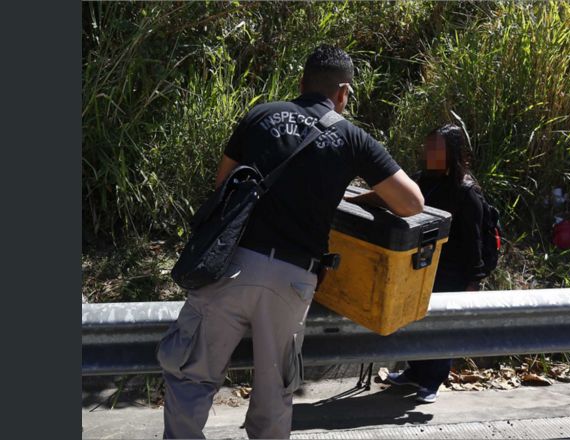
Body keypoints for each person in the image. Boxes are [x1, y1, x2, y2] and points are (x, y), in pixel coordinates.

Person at [157, 45, 424, 439]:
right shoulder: (353, 139)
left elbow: (223, 187)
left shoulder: (261, 115)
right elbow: (412, 202)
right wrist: (357, 196)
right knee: (274, 392)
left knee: (191, 377)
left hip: (230, 265)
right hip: (293, 278)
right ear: (343, 93)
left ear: (301, 83)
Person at [386, 124, 487, 403]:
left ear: (451, 152)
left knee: (442, 325)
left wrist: (474, 280)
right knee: (416, 318)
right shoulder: (421, 180)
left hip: (452, 269)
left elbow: (473, 238)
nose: (429, 152)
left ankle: (433, 379)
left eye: (437, 148)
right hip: (421, 264)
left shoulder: (465, 190)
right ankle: (415, 371)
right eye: (428, 146)